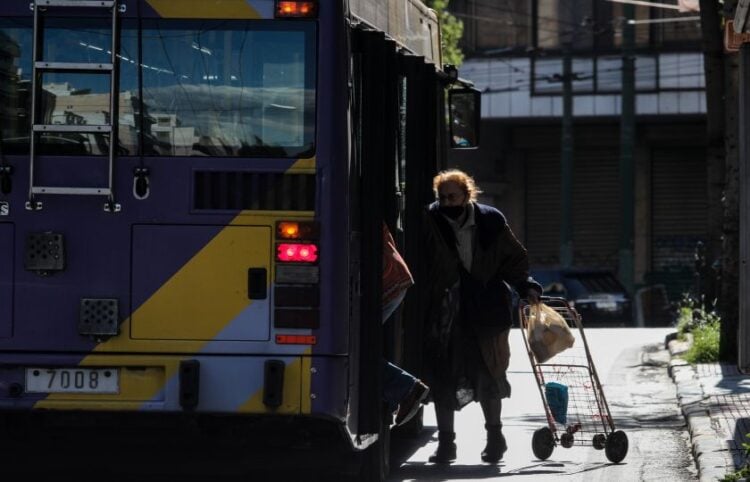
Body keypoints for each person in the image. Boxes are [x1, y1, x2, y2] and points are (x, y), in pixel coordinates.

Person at [421, 169, 541, 464]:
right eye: (442, 197)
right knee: (443, 376)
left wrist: (525, 285)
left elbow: (512, 259)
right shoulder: (430, 221)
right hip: (447, 313)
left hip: (488, 310)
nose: (448, 203)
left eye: (453, 196)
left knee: (490, 373)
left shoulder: (491, 220)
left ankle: (495, 437)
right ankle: (446, 444)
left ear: (467, 194)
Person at [381, 223, 429, 426]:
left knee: (352, 351)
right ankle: (402, 388)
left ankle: (406, 387)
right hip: (391, 279)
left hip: (387, 281)